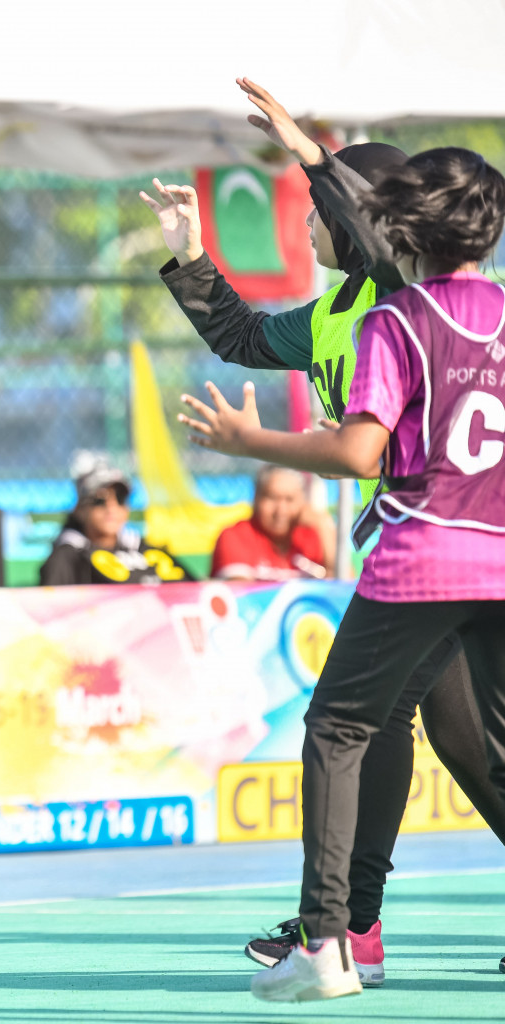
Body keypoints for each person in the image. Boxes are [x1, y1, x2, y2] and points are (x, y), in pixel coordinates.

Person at [142, 78, 505, 984]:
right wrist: (191, 256)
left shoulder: (399, 294)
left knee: (359, 726)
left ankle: (339, 933)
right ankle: (352, 929)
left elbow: (377, 237)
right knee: (460, 745)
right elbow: (241, 338)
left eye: (318, 209)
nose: (306, 228)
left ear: (371, 217)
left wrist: (312, 154)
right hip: (442, 546)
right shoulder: (340, 314)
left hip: (431, 542)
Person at [38, 457, 191, 586]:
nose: (111, 508)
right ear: (80, 510)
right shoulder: (67, 559)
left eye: (120, 498)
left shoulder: (148, 551)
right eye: (99, 500)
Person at [212, 465, 331, 580]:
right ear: (256, 498)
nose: (281, 510)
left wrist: (324, 526)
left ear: (303, 503)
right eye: (272, 498)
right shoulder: (235, 536)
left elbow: (342, 588)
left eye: (289, 499)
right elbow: (242, 595)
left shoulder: (313, 537)